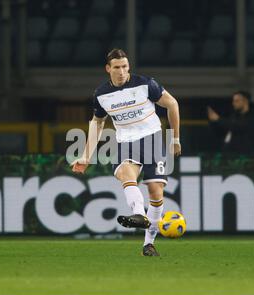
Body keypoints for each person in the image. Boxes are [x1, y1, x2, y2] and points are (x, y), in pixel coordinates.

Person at [71, 48, 181, 256]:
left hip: (153, 139)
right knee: (125, 174)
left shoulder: (146, 84)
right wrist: (86, 156)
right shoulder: (101, 94)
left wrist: (175, 138)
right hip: (125, 141)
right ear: (108, 69)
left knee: (156, 192)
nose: (121, 72)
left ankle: (148, 244)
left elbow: (172, 104)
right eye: (117, 67)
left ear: (128, 67)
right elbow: (97, 124)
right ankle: (139, 214)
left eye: (124, 67)